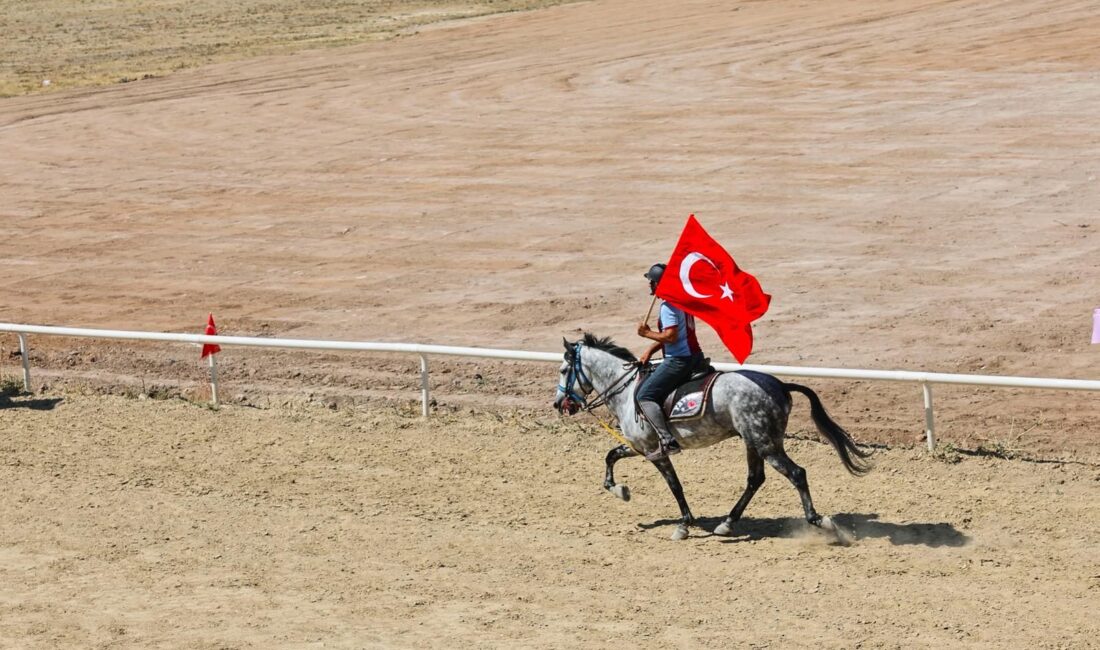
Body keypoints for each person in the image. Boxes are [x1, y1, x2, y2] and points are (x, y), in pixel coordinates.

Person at [636, 263, 706, 460]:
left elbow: (671, 336)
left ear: (659, 284)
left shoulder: (668, 306)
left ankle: (667, 441)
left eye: (651, 281)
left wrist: (646, 334)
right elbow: (678, 336)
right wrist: (650, 349)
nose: (649, 285)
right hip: (695, 356)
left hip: (679, 361)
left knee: (645, 396)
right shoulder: (682, 301)